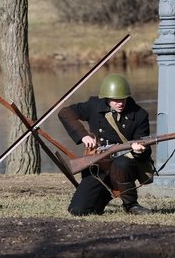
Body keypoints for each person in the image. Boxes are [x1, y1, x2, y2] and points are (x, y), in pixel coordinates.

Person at [58, 74, 154, 216]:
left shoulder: (139, 115)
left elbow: (145, 152)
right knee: (78, 210)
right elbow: (65, 113)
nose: (120, 103)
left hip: (124, 167)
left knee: (121, 164)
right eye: (115, 100)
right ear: (107, 98)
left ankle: (131, 205)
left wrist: (138, 150)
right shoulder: (94, 105)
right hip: (99, 166)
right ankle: (102, 198)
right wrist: (83, 135)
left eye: (123, 99)